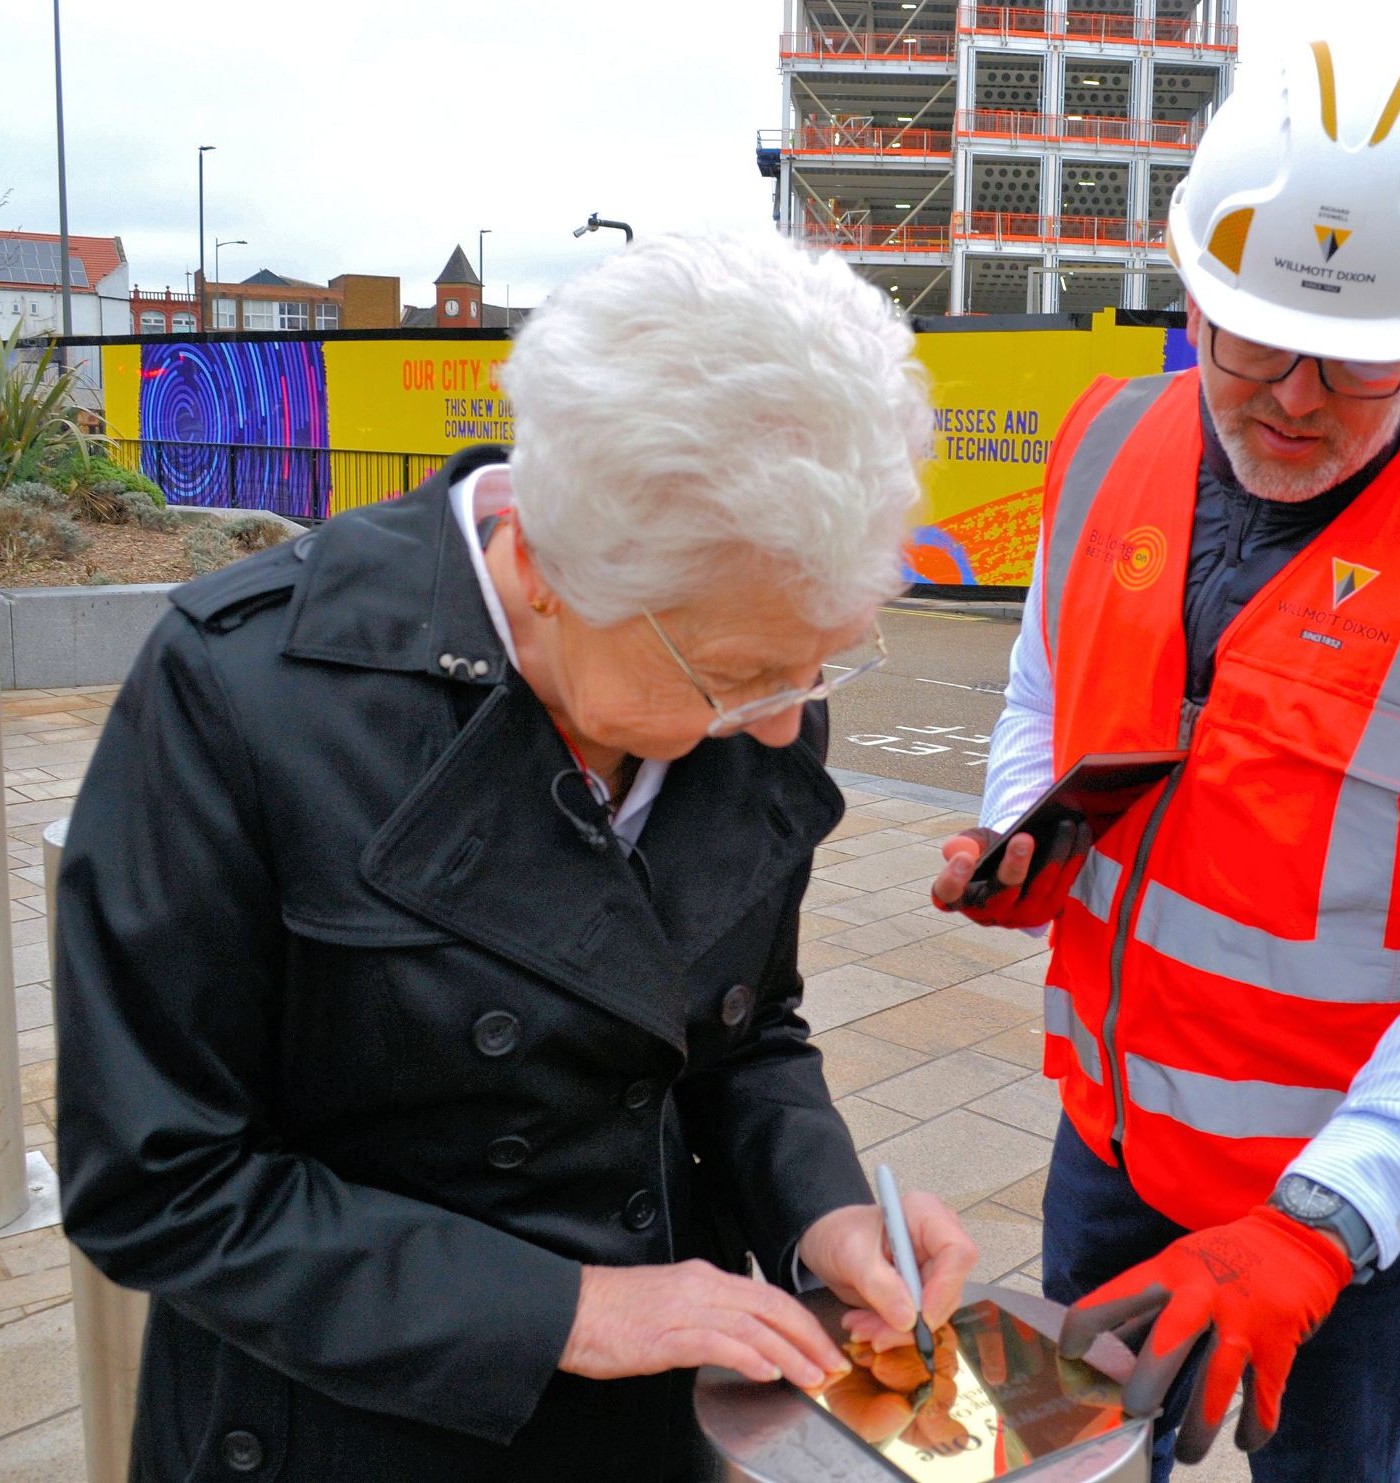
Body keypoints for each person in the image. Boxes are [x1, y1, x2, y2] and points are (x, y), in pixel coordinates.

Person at [55, 232, 977, 1483]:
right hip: (347, 1426)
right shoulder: (246, 692)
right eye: (739, 676)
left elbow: (740, 1032)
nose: (780, 721)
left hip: (656, 1421)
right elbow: (159, 1180)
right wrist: (564, 1311)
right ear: (544, 571)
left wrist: (819, 1212)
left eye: (823, 661)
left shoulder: (752, 637)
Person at [931, 43, 1400, 1482]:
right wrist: (1021, 828)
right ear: (1193, 294)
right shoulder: (1106, 441)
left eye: (1358, 358)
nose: (1294, 396)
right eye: (1253, 339)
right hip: (1112, 1143)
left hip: (1335, 1205)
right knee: (1074, 1457)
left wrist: (1321, 1219)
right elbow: (1042, 689)